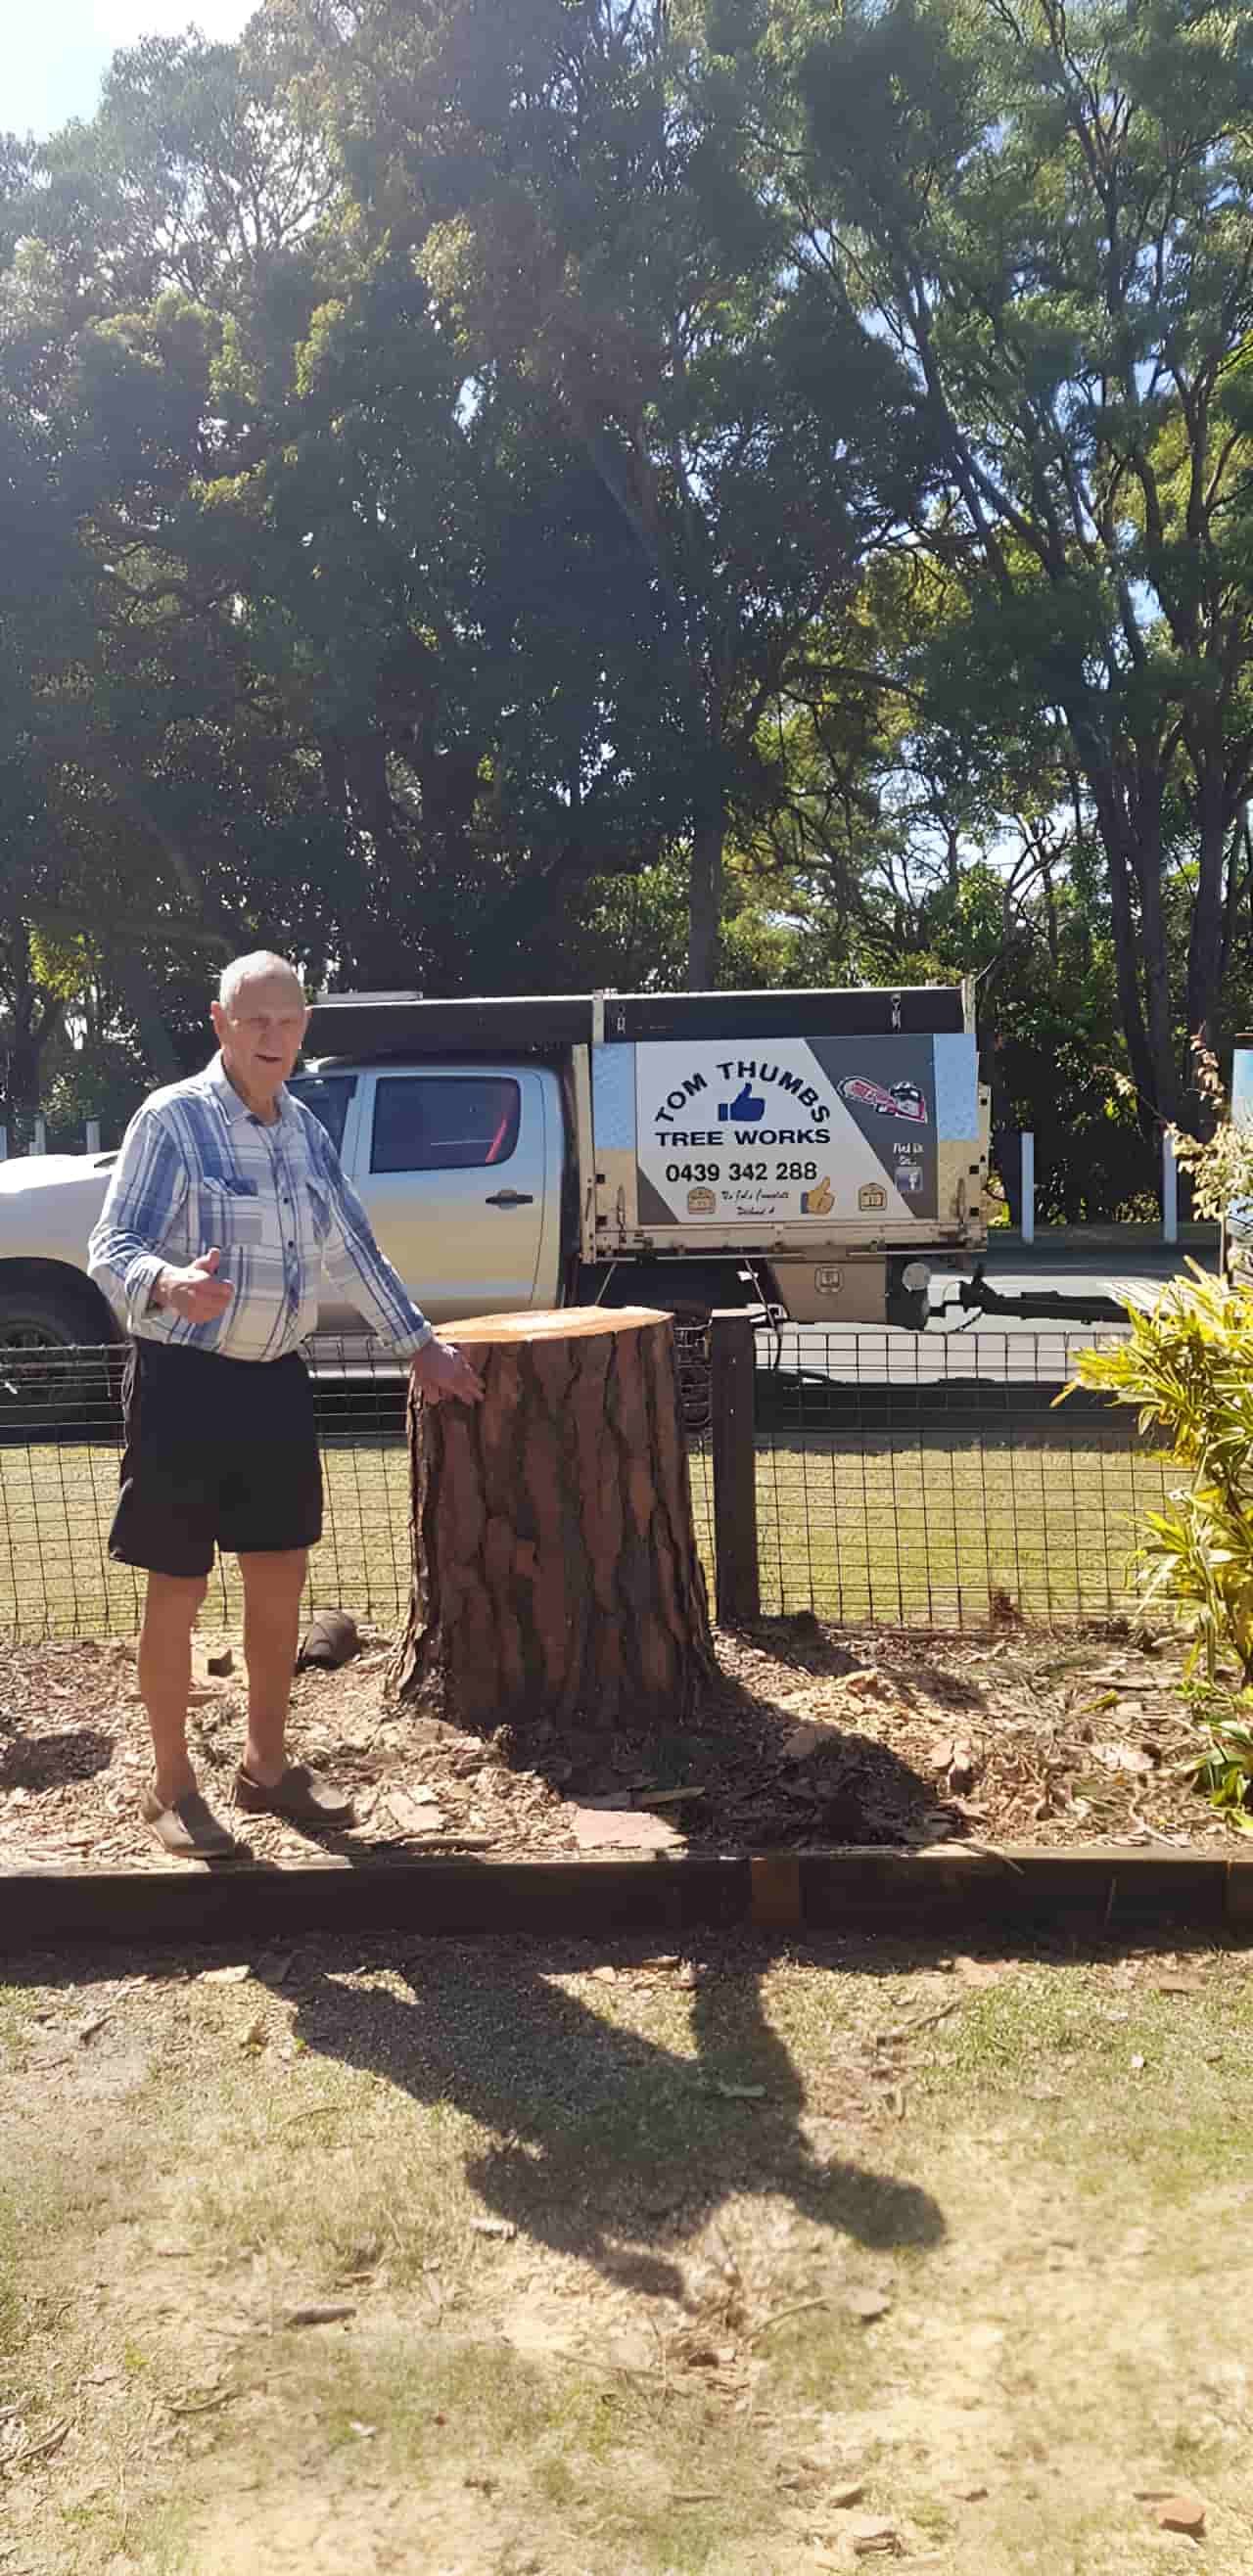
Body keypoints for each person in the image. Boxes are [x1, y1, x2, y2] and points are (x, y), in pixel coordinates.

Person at [88, 950, 484, 1861]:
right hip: (183, 1385)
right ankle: (171, 1786)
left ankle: (267, 1768)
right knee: (177, 1591)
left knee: (280, 1586)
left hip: (275, 1383)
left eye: (289, 1021)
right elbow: (111, 1246)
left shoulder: (304, 1129)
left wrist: (419, 1346)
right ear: (219, 1022)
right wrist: (168, 1282)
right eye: (255, 1020)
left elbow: (352, 1246)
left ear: (306, 1026)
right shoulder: (173, 1120)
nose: (274, 1038)